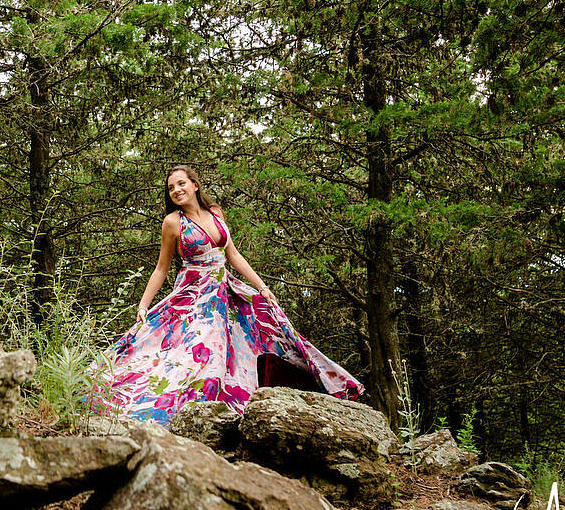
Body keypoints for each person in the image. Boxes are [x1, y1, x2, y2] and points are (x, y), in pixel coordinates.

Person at [83, 164, 364, 425]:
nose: (176, 190)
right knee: (203, 351)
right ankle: (193, 413)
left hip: (224, 289)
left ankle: (299, 391)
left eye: (181, 184)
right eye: (171, 188)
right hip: (194, 295)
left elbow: (234, 256)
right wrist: (143, 306)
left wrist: (263, 288)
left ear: (195, 185)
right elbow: (161, 268)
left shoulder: (216, 212)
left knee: (262, 328)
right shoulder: (172, 222)